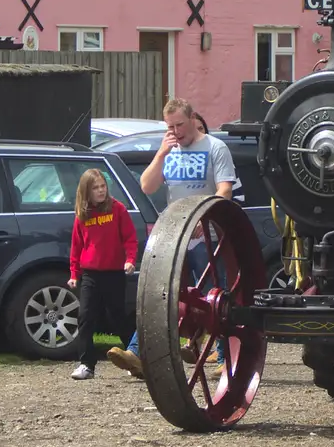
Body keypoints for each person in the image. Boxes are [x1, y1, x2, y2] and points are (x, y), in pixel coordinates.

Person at [106, 99, 237, 379]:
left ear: (192, 119)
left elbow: (225, 189)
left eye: (180, 125)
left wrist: (205, 216)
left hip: (206, 235)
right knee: (160, 295)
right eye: (170, 126)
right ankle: (137, 353)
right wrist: (162, 154)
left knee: (215, 298)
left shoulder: (215, 147)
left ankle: (226, 359)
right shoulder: (169, 150)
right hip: (175, 235)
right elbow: (147, 185)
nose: (176, 131)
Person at [66, 169, 140, 380]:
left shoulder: (117, 209)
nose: (100, 191)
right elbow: (76, 247)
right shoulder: (82, 214)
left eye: (102, 187)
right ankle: (86, 364)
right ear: (86, 192)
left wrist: (130, 260)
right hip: (90, 274)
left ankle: (133, 356)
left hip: (114, 273)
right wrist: (74, 273)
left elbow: (130, 239)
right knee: (85, 317)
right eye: (95, 188)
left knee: (117, 317)